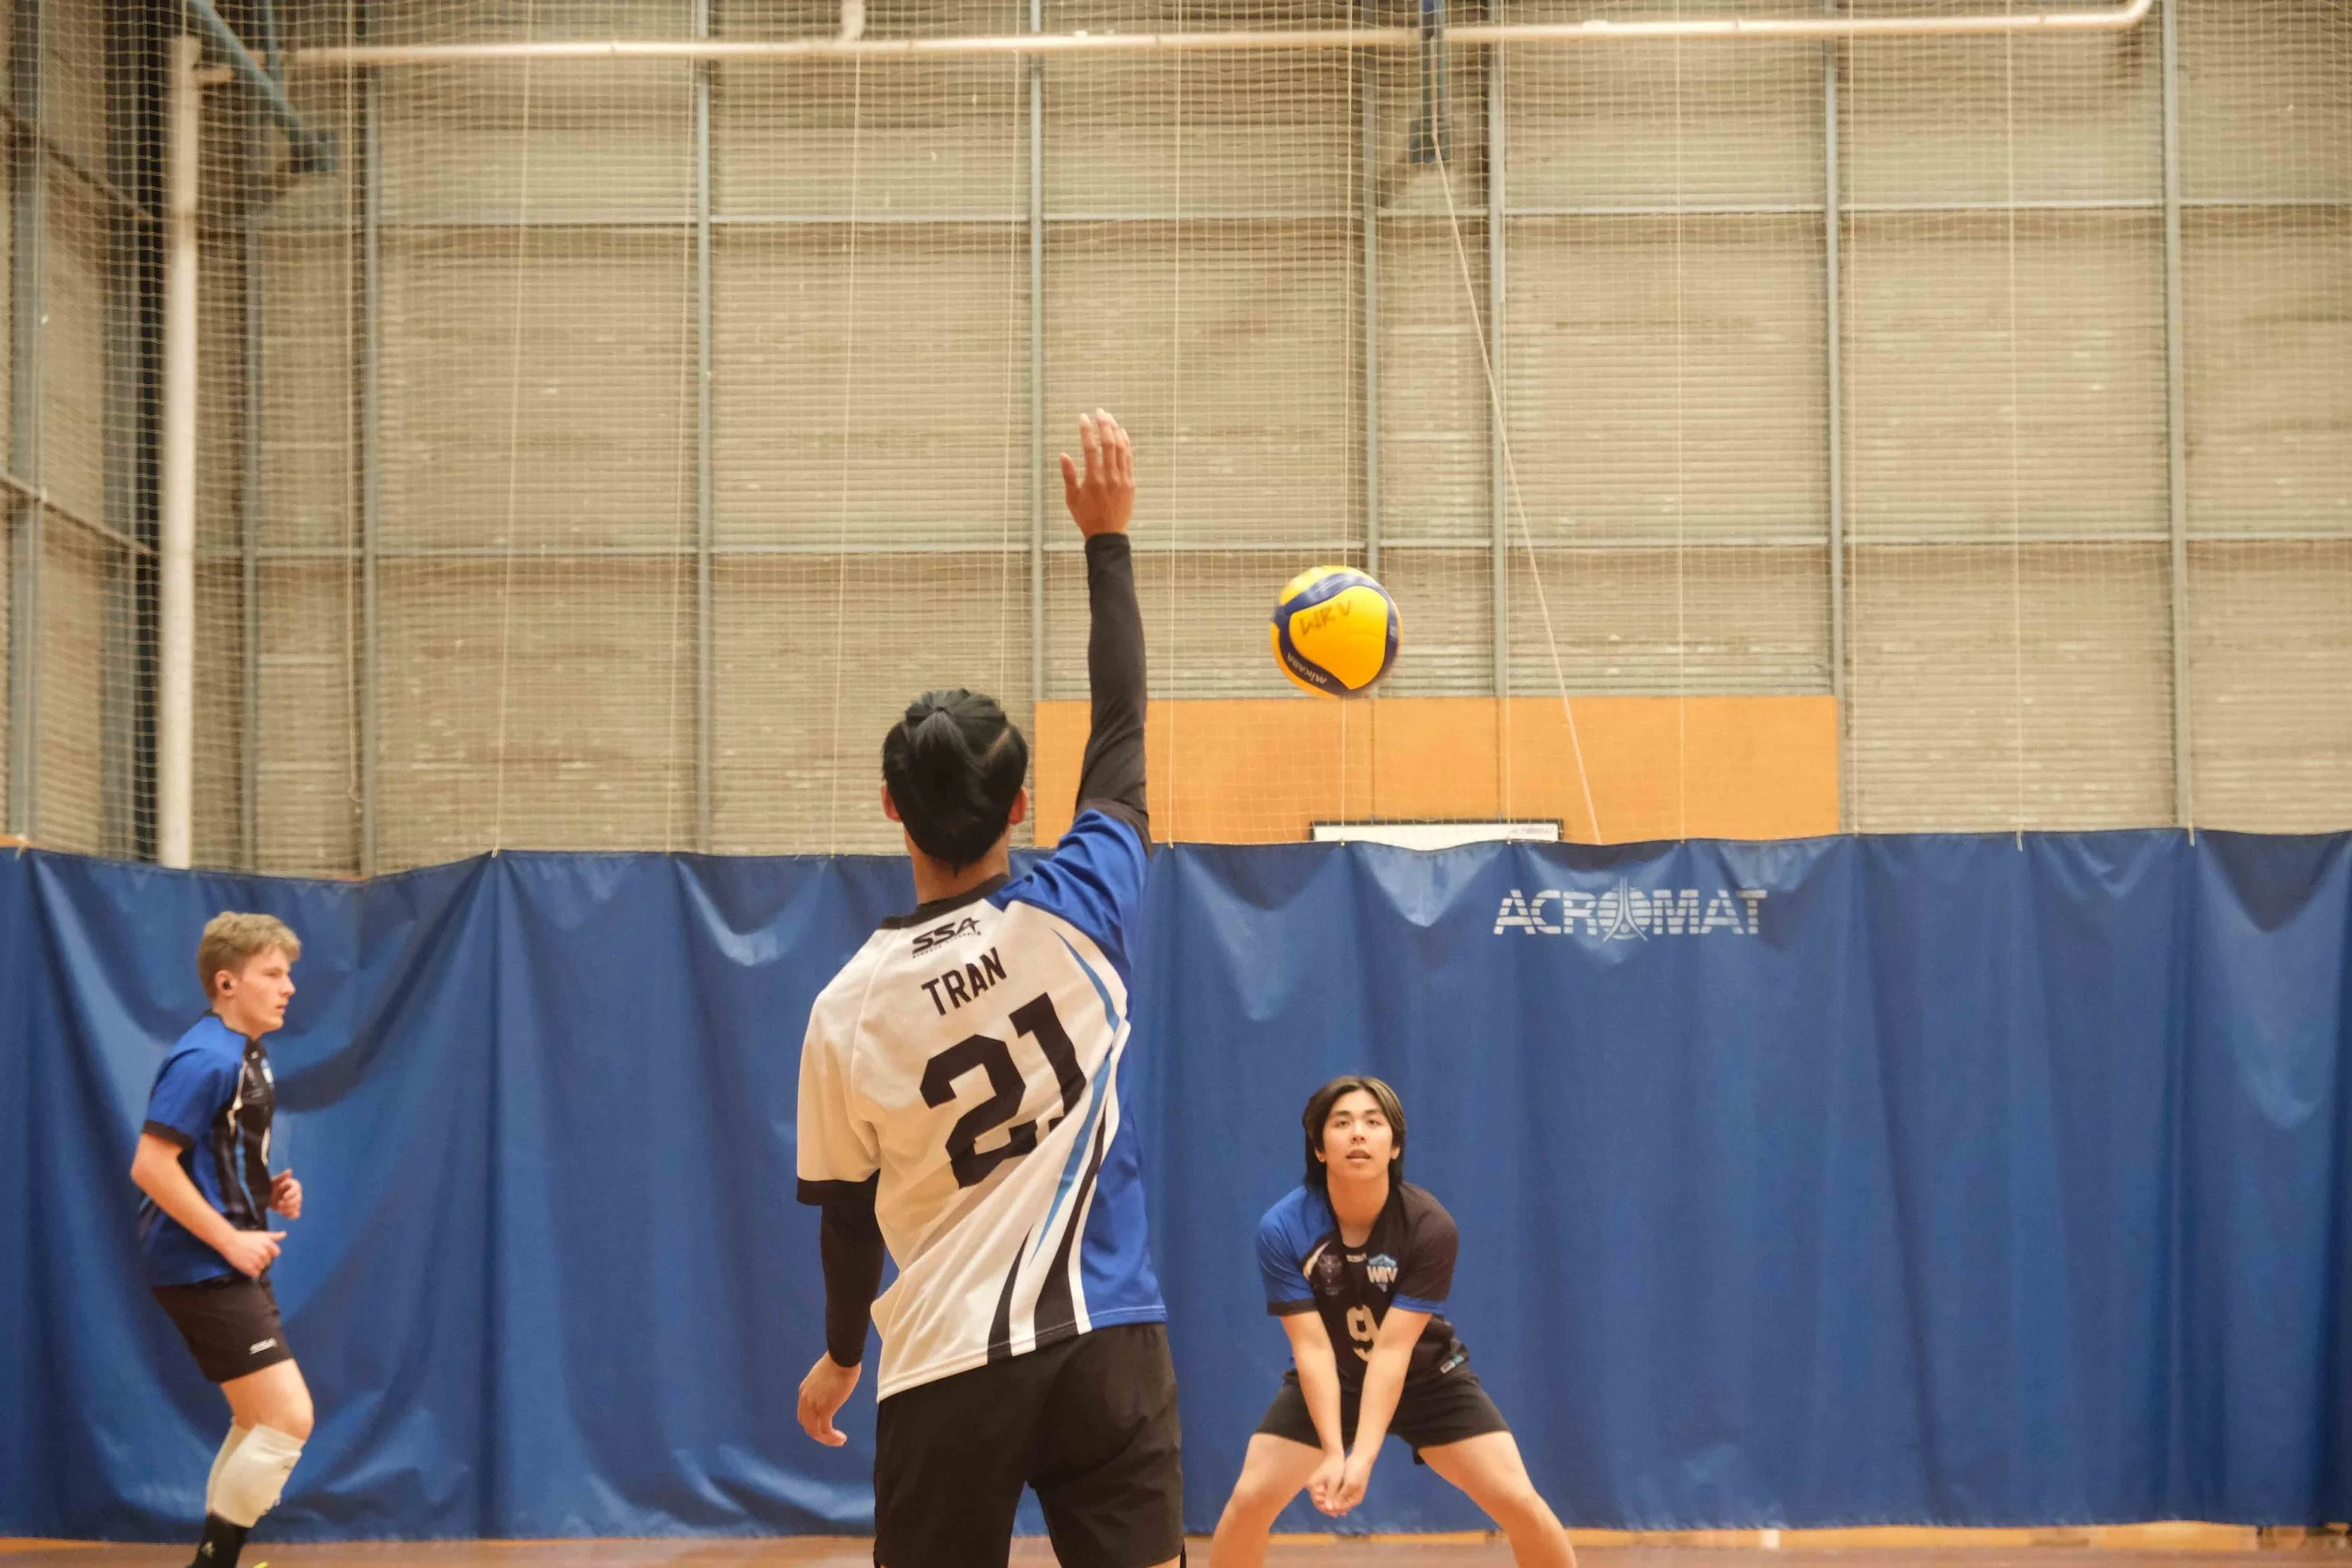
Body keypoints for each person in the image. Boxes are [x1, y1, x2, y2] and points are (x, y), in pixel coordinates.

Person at [794, 410, 1180, 1568]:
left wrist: (841, 1354)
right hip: (1105, 1337)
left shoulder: (847, 1006)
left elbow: (849, 1216)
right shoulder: (1084, 903)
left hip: (944, 1358)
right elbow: (1121, 723)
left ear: (888, 805)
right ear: (1019, 807)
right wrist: (1106, 539)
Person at [1209, 1075, 1577, 1568]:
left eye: (1373, 1122)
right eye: (1341, 1123)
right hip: (1335, 1379)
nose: (1358, 1133)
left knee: (1519, 1502)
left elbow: (1392, 1350)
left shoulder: (1429, 1225)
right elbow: (1312, 1348)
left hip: (1429, 1381)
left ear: (1395, 1145)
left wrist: (1362, 1458)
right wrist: (1333, 1451)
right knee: (1249, 1500)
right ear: (1319, 1148)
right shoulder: (1284, 1227)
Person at [129, 912, 314, 1568]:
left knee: (257, 1420)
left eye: (289, 973)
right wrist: (232, 1240)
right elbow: (151, 1164)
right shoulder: (206, 1057)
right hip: (201, 1263)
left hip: (218, 1258)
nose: (289, 986)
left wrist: (265, 1193)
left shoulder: (246, 1052)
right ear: (227, 982)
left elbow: (210, 1157)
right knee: (288, 1418)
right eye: (273, 973)